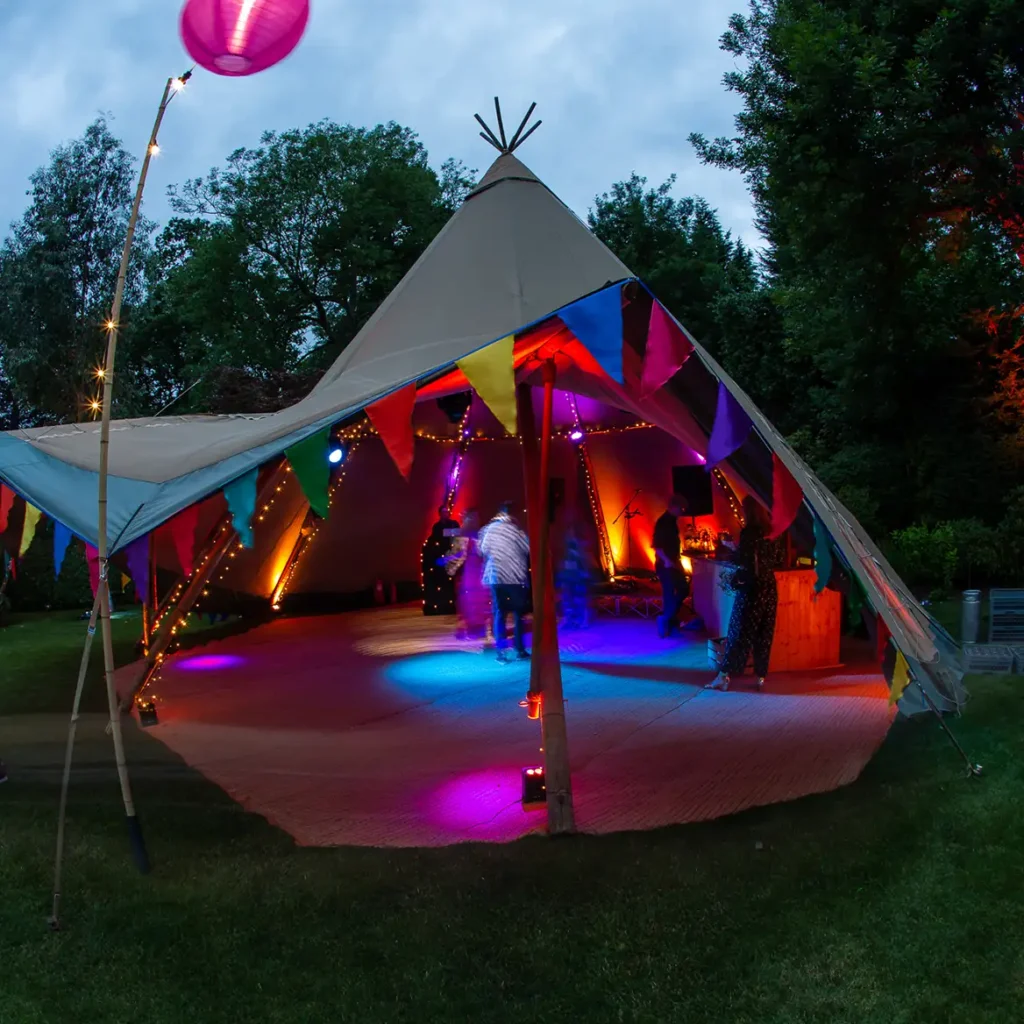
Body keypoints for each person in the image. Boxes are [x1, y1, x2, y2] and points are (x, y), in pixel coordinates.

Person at [707, 496, 785, 691]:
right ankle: (760, 676)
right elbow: (779, 558)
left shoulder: (749, 532)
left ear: (748, 511)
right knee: (764, 632)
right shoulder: (772, 533)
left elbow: (744, 561)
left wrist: (732, 550)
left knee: (739, 631)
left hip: (752, 587)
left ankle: (724, 676)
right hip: (769, 586)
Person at [477, 502, 531, 662]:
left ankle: (501, 652)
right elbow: (527, 549)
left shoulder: (489, 529)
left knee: (499, 613)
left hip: (496, 577)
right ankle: (520, 650)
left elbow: (482, 550)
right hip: (514, 577)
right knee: (518, 613)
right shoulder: (516, 530)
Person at [445, 509, 490, 641]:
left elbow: (459, 554)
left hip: (474, 572)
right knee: (474, 599)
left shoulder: (472, 534)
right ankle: (475, 629)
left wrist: (450, 563)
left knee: (472, 599)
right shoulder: (477, 534)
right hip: (475, 571)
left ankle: (474, 629)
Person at [652, 495, 689, 638]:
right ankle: (665, 620)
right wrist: (667, 561)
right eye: (682, 508)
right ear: (674, 507)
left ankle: (668, 618)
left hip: (672, 562)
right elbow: (657, 546)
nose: (683, 511)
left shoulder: (672, 521)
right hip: (665, 564)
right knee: (669, 593)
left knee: (683, 589)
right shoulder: (664, 522)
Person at [421, 505, 459, 616]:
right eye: (443, 511)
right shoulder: (437, 526)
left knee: (451, 582)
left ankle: (451, 605)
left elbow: (457, 535)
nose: (446, 513)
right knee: (442, 582)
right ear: (440, 513)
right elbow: (437, 537)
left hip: (452, 557)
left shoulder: (453, 524)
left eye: (447, 511)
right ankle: (442, 605)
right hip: (440, 558)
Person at [557, 525, 593, 630]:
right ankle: (569, 620)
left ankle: (583, 620)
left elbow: (583, 560)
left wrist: (584, 572)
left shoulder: (580, 547)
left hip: (578, 576)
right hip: (569, 575)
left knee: (580, 599)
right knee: (567, 599)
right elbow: (564, 561)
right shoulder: (566, 547)